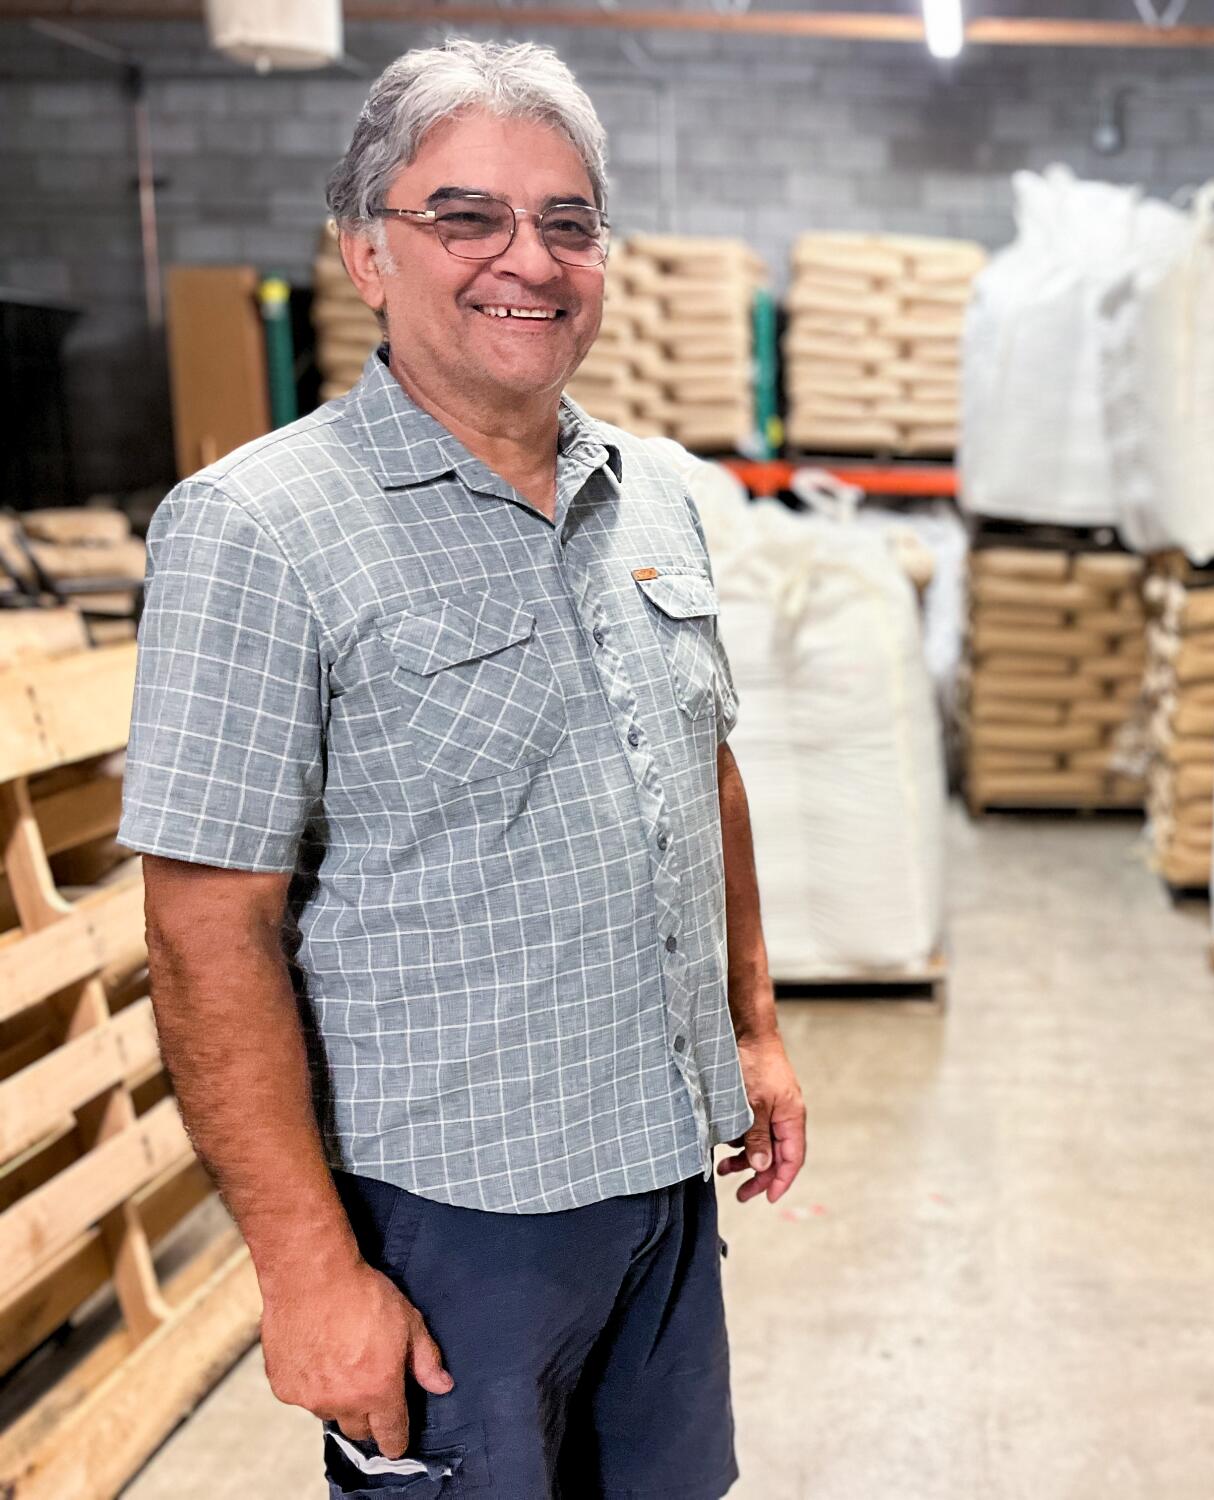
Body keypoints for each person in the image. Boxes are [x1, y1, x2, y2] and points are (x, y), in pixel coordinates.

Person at [119, 38, 803, 1500]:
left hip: (660, 1183)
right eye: (467, 217)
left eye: (567, 221)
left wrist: (752, 1025)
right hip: (449, 1223)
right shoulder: (259, 530)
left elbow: (704, 770)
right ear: (367, 252)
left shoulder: (659, 494)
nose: (527, 260)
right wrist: (308, 1275)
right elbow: (202, 925)